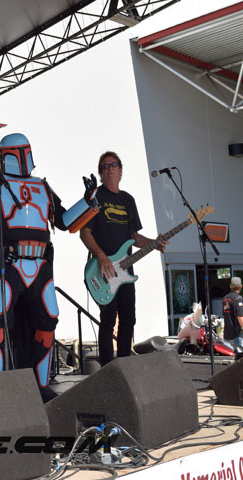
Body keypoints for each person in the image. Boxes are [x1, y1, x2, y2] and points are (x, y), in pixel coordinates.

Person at [0, 132, 98, 402]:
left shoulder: (42, 187)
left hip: (40, 266)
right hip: (8, 263)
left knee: (47, 321)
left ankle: (41, 386)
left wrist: (87, 200)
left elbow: (64, 221)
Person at [80, 151, 166, 366]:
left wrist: (154, 243)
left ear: (120, 170)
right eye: (105, 166)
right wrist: (101, 256)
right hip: (103, 269)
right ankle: (107, 368)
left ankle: (125, 365)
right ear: (100, 173)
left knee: (128, 318)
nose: (110, 169)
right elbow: (85, 232)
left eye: (114, 165)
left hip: (126, 270)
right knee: (108, 319)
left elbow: (134, 237)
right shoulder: (95, 197)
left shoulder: (128, 200)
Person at [222, 277, 243, 349]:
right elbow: (240, 316)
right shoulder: (238, 299)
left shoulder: (225, 298)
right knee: (239, 354)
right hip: (236, 335)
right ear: (240, 286)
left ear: (230, 286)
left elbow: (225, 314)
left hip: (227, 334)